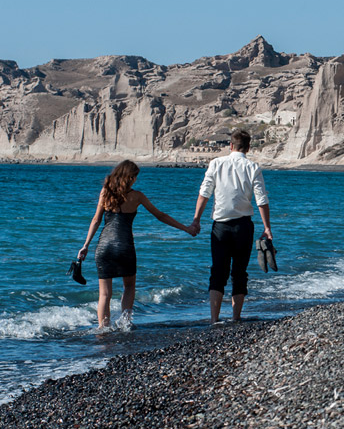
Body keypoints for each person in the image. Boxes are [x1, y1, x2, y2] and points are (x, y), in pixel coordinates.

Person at [78, 160, 195, 328]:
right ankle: (125, 324)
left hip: (104, 248)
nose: (135, 180)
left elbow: (96, 220)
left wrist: (85, 245)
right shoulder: (137, 196)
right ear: (128, 177)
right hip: (124, 247)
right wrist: (186, 228)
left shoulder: (106, 191)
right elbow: (160, 216)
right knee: (129, 286)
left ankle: (103, 330)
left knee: (104, 294)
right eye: (134, 177)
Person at [188, 130, 273, 324]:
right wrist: (267, 227)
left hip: (220, 227)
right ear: (248, 147)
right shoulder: (253, 167)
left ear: (231, 146)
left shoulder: (216, 163)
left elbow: (205, 194)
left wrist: (196, 220)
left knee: (218, 271)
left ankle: (214, 318)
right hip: (244, 226)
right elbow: (262, 200)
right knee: (239, 272)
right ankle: (235, 317)